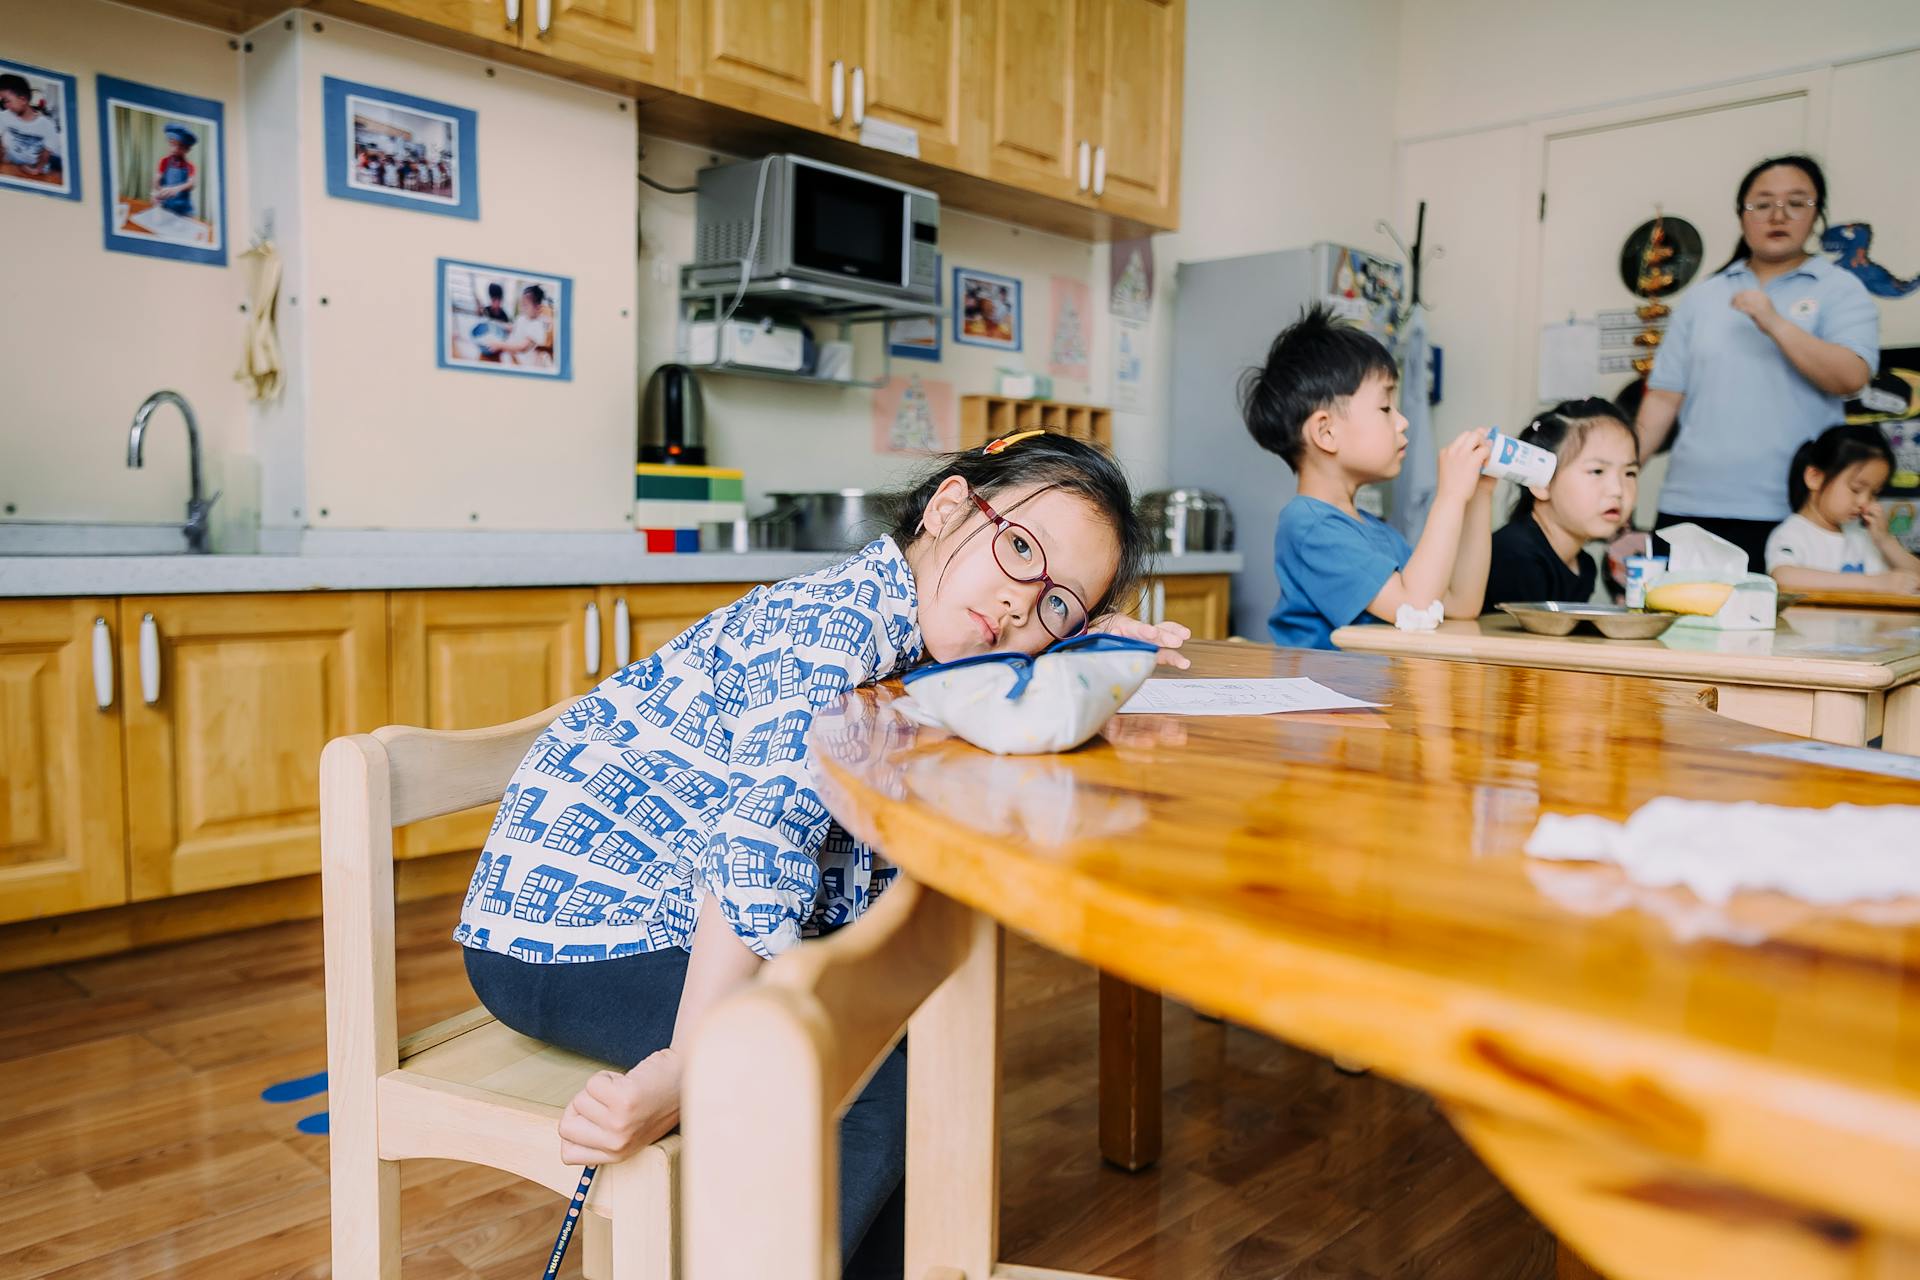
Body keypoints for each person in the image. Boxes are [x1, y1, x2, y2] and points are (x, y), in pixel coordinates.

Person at [452, 431, 1186, 1278]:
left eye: (1059, 604)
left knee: (893, 1069)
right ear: (948, 507)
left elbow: (1023, 684)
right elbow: (758, 844)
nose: (1024, 604)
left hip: (668, 913)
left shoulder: (933, 641)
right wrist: (687, 1065)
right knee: (858, 1085)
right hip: (567, 930)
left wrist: (1094, 648)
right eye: (1020, 549)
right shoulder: (835, 626)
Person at [1634, 154, 1880, 571]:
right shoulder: (1703, 297)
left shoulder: (1840, 289)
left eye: (1796, 203)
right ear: (1741, 216)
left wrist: (1774, 323)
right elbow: (1661, 400)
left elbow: (1851, 377)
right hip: (1690, 505)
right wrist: (1617, 475)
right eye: (1762, 204)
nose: (1778, 215)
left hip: (1792, 512)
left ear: (1816, 214)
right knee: (1674, 630)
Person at [1241, 303, 1496, 649]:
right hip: (1322, 701)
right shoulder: (1310, 526)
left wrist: (1479, 495)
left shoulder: (1374, 532)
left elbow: (1461, 604)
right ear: (1326, 432)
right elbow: (1416, 609)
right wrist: (1449, 496)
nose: (1402, 421)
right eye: (1386, 407)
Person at [1484, 399, 1640, 610]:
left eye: (1629, 473)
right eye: (1597, 471)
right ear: (1542, 482)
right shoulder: (1515, 557)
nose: (1617, 490)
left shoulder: (1583, 565)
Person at [1765, 423, 1920, 594]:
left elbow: (1915, 579)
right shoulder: (1793, 533)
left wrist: (1886, 541)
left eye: (1874, 493)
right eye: (1855, 489)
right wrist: (1875, 583)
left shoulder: (1864, 537)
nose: (1864, 501)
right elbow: (1783, 577)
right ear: (1814, 477)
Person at [0, 72, 62, 181]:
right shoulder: (4, 116)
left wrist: (36, 169)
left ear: (23, 100)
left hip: (35, 171)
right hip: (11, 165)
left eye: (7, 101)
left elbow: (45, 156)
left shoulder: (47, 125)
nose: (5, 106)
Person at [152, 123, 197, 217]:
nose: (175, 149)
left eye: (180, 146)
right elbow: (156, 180)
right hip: (167, 206)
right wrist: (158, 193)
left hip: (184, 209)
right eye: (172, 144)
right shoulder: (164, 161)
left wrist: (176, 189)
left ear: (187, 150)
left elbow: (191, 184)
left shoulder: (190, 166)